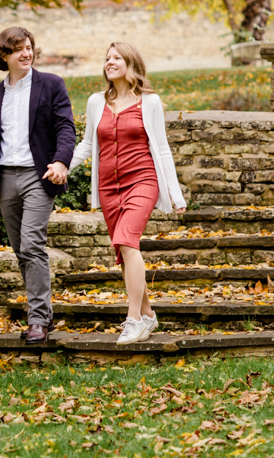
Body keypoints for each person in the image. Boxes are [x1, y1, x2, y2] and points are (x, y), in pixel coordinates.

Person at [69, 42, 186, 345]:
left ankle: (133, 319)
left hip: (143, 180)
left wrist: (175, 194)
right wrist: (61, 166)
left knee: (126, 240)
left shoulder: (150, 102)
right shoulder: (96, 102)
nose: (110, 62)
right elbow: (86, 145)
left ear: (131, 63)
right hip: (109, 186)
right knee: (123, 252)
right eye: (107, 58)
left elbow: (161, 148)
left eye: (116, 57)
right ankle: (148, 314)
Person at [0, 27, 76, 345]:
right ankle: (42, 313)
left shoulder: (51, 84)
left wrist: (62, 161)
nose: (26, 53)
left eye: (29, 46)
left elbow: (65, 126)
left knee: (32, 244)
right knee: (21, 251)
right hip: (6, 178)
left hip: (39, 175)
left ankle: (37, 320)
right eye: (18, 48)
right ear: (4, 55)